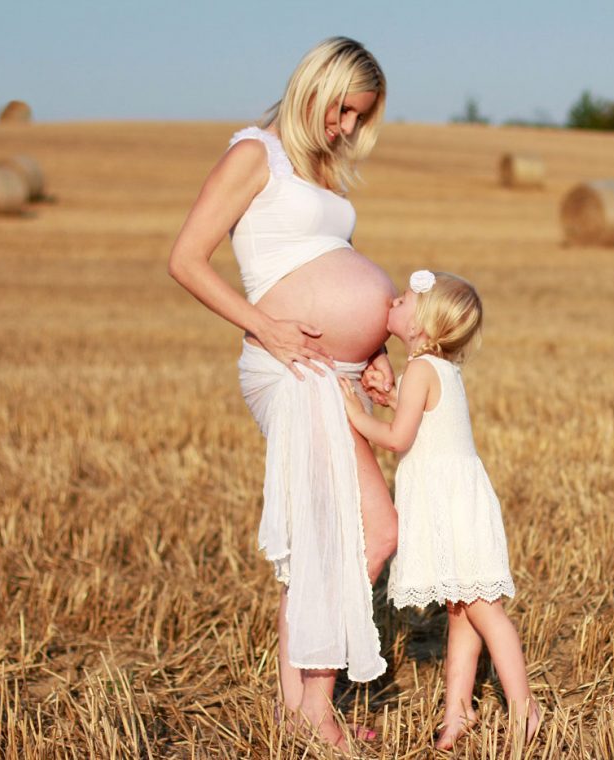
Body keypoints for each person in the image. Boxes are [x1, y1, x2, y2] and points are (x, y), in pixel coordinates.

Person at [167, 37, 398, 749]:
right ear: (315, 86)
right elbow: (185, 259)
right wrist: (265, 325)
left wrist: (377, 351)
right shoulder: (253, 155)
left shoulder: (319, 170)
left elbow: (330, 264)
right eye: (344, 111)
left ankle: (294, 704)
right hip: (293, 367)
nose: (349, 130)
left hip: (337, 374)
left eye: (360, 119)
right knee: (368, 531)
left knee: (327, 535)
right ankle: (313, 704)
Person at [338, 270, 541, 750]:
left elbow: (397, 439)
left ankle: (525, 709)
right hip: (455, 500)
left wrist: (356, 413)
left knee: (485, 611)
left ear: (422, 327)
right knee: (460, 611)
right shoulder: (436, 371)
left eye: (405, 299)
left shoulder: (425, 371)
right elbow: (424, 425)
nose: (394, 299)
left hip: (451, 506)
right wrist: (388, 399)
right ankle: (458, 711)